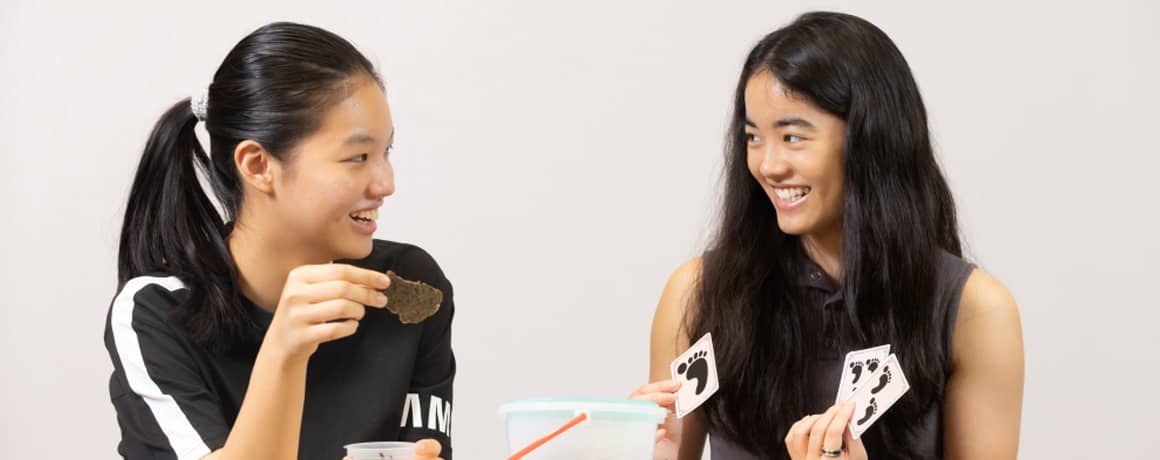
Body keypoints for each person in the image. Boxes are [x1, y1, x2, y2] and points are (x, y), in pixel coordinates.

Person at [631, 11, 1023, 460]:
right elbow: (663, 450)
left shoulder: (975, 311)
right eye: (753, 137)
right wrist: (632, 447)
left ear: (869, 138)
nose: (768, 165)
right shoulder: (696, 294)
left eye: (793, 137)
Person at [104, 22, 454, 460]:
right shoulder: (156, 312)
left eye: (387, 153)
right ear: (257, 165)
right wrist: (285, 350)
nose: (386, 183)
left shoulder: (406, 289)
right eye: (358, 157)